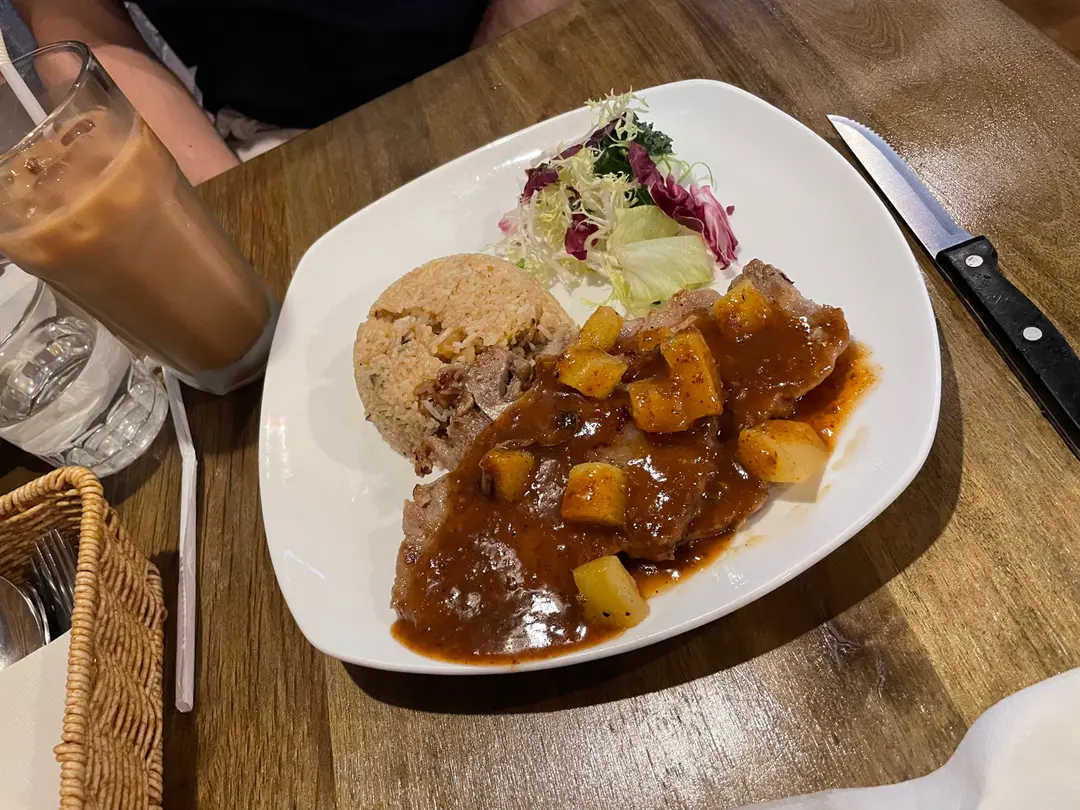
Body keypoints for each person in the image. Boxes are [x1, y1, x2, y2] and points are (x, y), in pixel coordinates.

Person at [10, 0, 568, 184]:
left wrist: (488, 85)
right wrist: (227, 216)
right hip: (273, 137)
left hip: (505, 46)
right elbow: (79, 24)